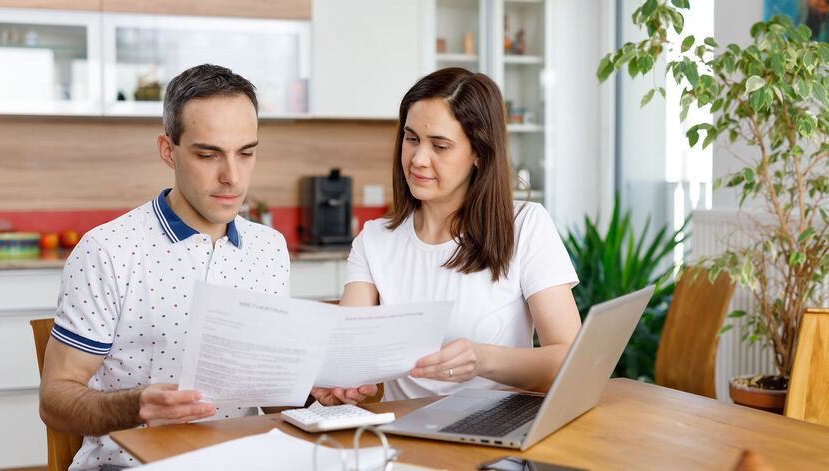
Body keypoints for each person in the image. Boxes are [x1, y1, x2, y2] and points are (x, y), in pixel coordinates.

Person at [37, 64, 370, 471]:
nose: (232, 177)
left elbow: (267, 394)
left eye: (246, 153)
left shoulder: (269, 248)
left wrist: (312, 394)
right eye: (208, 154)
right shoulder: (108, 249)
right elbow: (55, 401)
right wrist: (137, 405)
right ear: (168, 150)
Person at [340, 67, 581, 400]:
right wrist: (344, 386)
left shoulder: (525, 226)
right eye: (412, 139)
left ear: (479, 153)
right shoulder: (374, 239)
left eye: (439, 146)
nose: (418, 159)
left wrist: (484, 359)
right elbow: (349, 361)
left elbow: (572, 362)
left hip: (493, 439)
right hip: (402, 442)